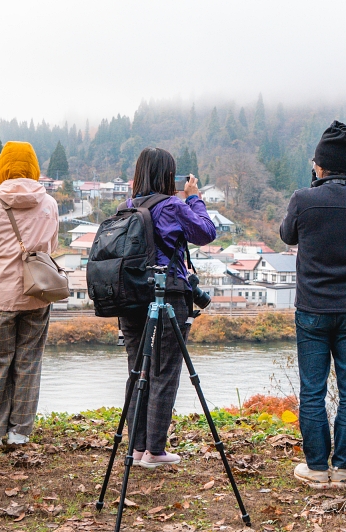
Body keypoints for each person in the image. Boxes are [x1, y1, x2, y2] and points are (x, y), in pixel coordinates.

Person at [279, 120, 346, 487]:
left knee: (313, 389)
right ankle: (345, 466)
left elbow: (288, 234)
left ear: (319, 165)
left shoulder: (303, 199)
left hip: (313, 309)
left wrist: (310, 187)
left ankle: (317, 467)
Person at [119, 147, 217, 468]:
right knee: (165, 369)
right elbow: (205, 232)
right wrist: (194, 197)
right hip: (169, 293)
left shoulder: (126, 207)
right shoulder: (172, 206)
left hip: (131, 296)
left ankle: (135, 449)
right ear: (166, 176)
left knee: (138, 369)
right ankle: (155, 451)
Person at [0, 141, 60, 449]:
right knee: (28, 363)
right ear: (33, 166)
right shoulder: (49, 204)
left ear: (2, 167)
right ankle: (20, 431)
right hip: (37, 294)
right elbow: (51, 249)